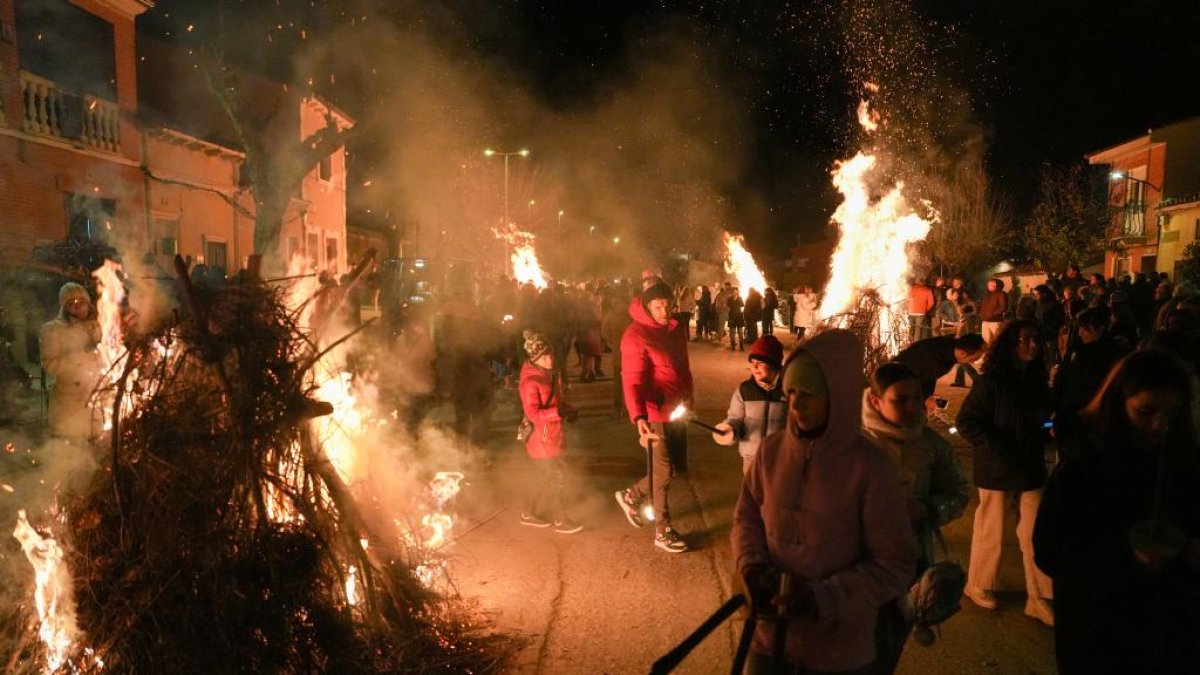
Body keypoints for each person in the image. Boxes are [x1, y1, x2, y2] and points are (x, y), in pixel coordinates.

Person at [732, 329, 916, 674]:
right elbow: (747, 518)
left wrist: (822, 599)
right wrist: (751, 565)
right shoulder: (771, 452)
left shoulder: (870, 468)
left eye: (809, 394)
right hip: (768, 640)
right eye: (792, 392)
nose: (796, 404)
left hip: (836, 651)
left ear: (838, 397)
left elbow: (895, 564)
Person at [1034, 349, 1200, 674]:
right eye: (1146, 411)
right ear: (1119, 403)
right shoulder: (1084, 467)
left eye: (1172, 413)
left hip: (1172, 629)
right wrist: (1126, 554)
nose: (1159, 425)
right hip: (1100, 631)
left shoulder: (1184, 462)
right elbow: (1050, 551)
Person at [862, 362, 970, 674]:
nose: (912, 407)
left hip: (909, 564)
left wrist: (929, 509)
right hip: (855, 565)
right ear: (875, 401)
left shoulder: (932, 446)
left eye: (916, 397)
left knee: (888, 644)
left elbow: (958, 492)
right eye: (900, 400)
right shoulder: (851, 442)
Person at [956, 320, 1055, 625]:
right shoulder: (992, 382)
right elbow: (967, 421)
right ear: (1011, 343)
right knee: (992, 528)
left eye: (1036, 339)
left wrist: (1048, 430)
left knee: (1036, 531)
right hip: (998, 466)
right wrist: (998, 447)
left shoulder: (1038, 382)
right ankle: (979, 584)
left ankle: (1038, 597)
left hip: (1029, 466)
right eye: (1025, 339)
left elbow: (1043, 421)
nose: (1032, 345)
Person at [613, 279, 693, 553]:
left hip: (677, 410)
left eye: (667, 305)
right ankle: (663, 529)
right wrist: (639, 418)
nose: (664, 311)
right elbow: (632, 381)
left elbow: (683, 367)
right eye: (658, 306)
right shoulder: (635, 335)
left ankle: (631, 495)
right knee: (664, 471)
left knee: (678, 468)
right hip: (654, 413)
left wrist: (688, 396)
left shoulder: (674, 329)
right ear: (647, 307)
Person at [517, 332, 582, 534]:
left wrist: (566, 409)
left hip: (551, 434)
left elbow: (554, 401)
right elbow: (534, 414)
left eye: (551, 354)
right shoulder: (530, 382)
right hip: (541, 439)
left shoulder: (548, 374)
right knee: (556, 478)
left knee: (544, 478)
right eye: (545, 356)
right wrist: (558, 412)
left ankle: (527, 513)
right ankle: (561, 520)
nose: (550, 359)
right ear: (535, 358)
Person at [1051, 306, 1129, 447]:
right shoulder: (1080, 350)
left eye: (1085, 329)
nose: (1080, 333)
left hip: (1085, 420)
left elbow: (1074, 388)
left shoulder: (1093, 356)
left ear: (1100, 328)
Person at [712, 335, 787, 474]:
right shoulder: (745, 390)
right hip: (751, 458)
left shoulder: (788, 391)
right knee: (752, 495)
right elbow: (735, 419)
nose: (755, 367)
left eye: (760, 362)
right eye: (752, 362)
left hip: (780, 460)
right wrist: (730, 430)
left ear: (774, 364)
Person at [40, 282, 101, 440]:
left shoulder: (97, 325)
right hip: (68, 402)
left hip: (94, 397)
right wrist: (79, 356)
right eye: (72, 303)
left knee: (95, 453)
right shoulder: (52, 329)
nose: (78, 307)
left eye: (82, 302)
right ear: (64, 307)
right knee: (70, 454)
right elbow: (50, 366)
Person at [893, 333, 986, 401]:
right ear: (962, 353)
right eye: (972, 359)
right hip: (896, 384)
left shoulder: (948, 346)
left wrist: (928, 396)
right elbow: (914, 380)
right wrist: (925, 398)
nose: (972, 362)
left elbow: (929, 377)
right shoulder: (937, 360)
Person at [978, 277, 1009, 345]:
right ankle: (987, 354)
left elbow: (1003, 307)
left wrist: (993, 314)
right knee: (986, 340)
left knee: (997, 340)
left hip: (995, 321)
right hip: (985, 321)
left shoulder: (1001, 294)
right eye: (988, 284)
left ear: (997, 285)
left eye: (991, 284)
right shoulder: (987, 295)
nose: (989, 286)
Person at [907, 277, 935, 343]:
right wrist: (925, 309)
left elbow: (906, 300)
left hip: (911, 312)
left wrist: (907, 308)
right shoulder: (927, 290)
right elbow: (931, 303)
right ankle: (915, 344)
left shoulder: (911, 289)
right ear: (924, 283)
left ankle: (909, 342)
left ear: (916, 282)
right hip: (921, 313)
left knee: (910, 327)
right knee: (918, 329)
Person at [727, 286, 746, 351]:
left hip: (739, 316)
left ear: (737, 291)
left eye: (736, 291)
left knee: (740, 332)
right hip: (732, 316)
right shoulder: (729, 299)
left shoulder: (740, 298)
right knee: (732, 332)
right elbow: (728, 308)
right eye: (733, 291)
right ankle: (733, 346)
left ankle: (741, 346)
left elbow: (742, 305)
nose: (734, 292)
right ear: (732, 292)